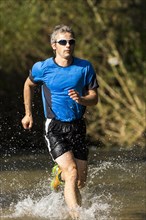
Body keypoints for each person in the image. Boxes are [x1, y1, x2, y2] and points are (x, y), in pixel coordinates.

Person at [21, 24, 99, 219]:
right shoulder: (43, 68)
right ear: (54, 45)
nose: (68, 45)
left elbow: (94, 98)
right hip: (55, 126)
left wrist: (82, 100)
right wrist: (28, 114)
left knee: (80, 181)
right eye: (63, 42)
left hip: (78, 126)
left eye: (71, 42)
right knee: (71, 172)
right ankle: (77, 217)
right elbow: (28, 84)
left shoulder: (85, 67)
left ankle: (58, 174)